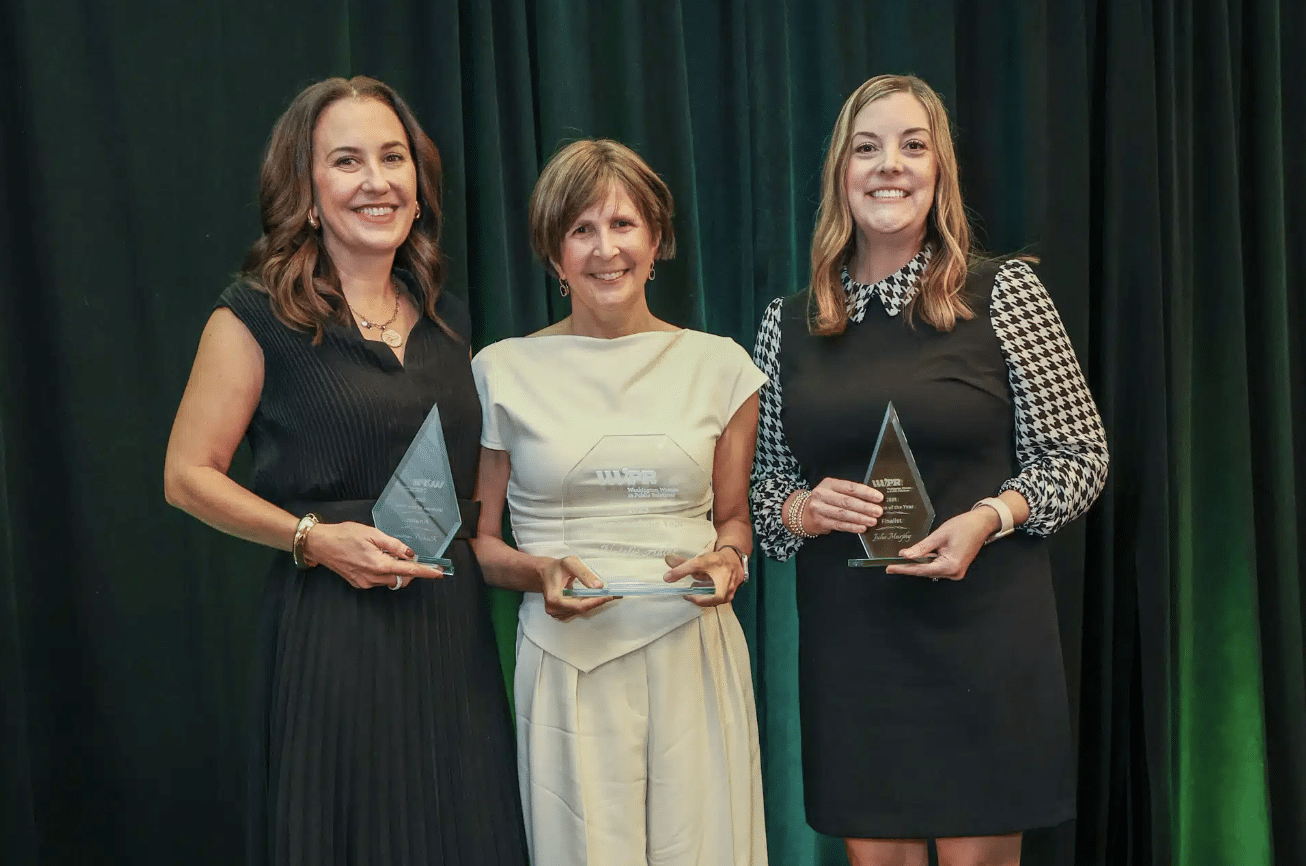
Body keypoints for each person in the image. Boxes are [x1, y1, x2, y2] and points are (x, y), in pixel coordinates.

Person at [163, 76, 527, 866]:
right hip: (333, 632)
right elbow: (187, 475)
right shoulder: (253, 315)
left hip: (450, 632)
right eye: (347, 161)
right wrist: (313, 539)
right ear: (306, 191)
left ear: (419, 185)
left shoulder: (450, 318)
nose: (376, 181)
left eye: (393, 158)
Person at [750, 74, 1109, 866]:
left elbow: (1081, 456)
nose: (890, 165)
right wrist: (804, 509)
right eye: (867, 148)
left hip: (986, 644)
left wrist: (990, 516)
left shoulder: (1006, 292)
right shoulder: (787, 324)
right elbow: (761, 490)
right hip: (856, 655)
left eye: (913, 146)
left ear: (939, 169)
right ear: (841, 175)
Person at [470, 139, 768, 866]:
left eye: (623, 224)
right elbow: (480, 543)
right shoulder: (500, 371)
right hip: (566, 659)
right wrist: (539, 573)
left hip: (694, 651)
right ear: (554, 254)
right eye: (581, 229)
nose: (606, 250)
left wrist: (729, 560)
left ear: (656, 240)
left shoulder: (722, 366)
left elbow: (734, 520)